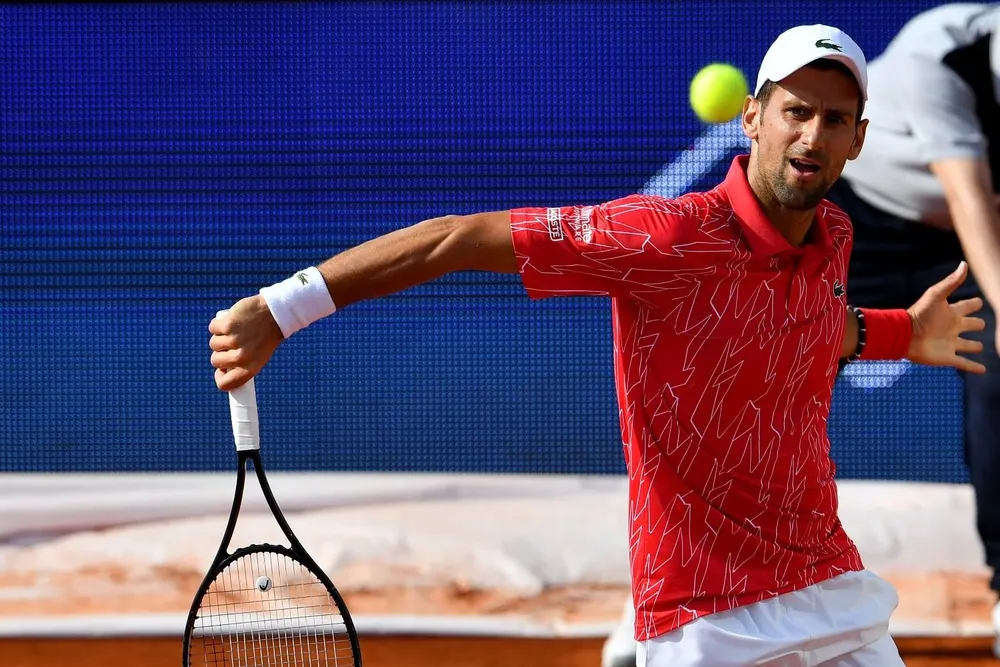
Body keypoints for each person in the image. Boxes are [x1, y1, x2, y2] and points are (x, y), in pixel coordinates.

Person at [209, 24, 986, 666]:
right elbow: (450, 239)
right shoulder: (661, 236)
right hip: (704, 619)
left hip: (831, 586)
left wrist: (901, 332)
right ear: (752, 117)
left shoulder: (835, 234)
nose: (811, 134)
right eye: (795, 110)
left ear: (859, 140)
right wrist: (283, 308)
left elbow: (805, 335)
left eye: (834, 119)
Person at [822, 3, 1000, 653]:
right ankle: (686, 585)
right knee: (776, 359)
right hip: (868, 226)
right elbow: (969, 194)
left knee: (995, 374)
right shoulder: (940, 59)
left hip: (975, 237)